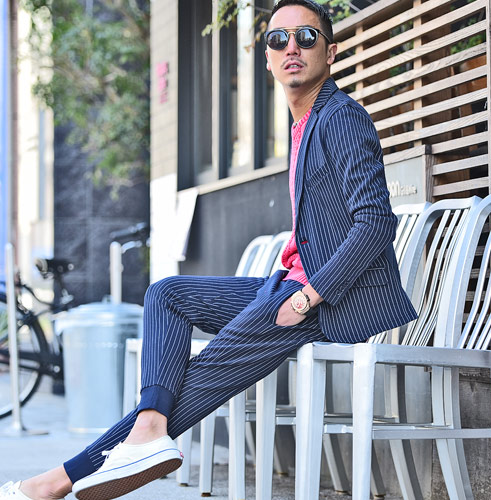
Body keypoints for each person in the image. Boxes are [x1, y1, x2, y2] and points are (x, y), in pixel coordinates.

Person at [0, 0, 417, 498]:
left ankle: (55, 482)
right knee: (166, 294)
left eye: (306, 37)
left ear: (330, 52)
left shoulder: (341, 118)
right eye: (278, 39)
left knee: (201, 374)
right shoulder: (304, 123)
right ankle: (148, 430)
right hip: (287, 286)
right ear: (266, 58)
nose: (292, 47)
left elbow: (375, 223)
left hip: (326, 302)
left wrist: (309, 297)